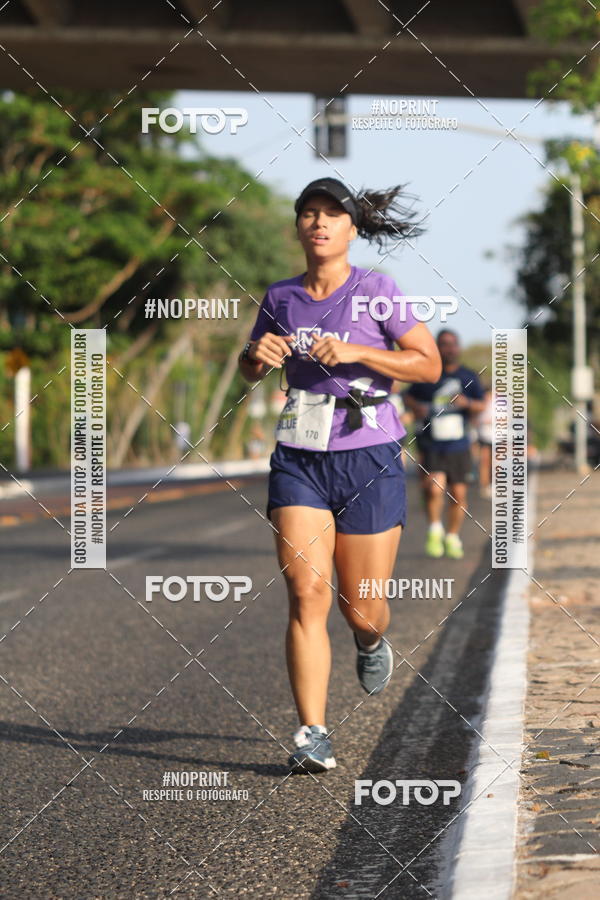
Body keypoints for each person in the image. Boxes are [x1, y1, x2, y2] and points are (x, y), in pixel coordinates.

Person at [238, 177, 441, 773]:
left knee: (361, 607)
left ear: (353, 228)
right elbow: (252, 364)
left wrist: (358, 352)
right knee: (306, 593)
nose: (319, 223)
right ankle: (313, 731)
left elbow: (425, 363)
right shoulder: (280, 296)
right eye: (308, 213)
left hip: (368, 457)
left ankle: (371, 637)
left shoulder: (377, 291)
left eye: (332, 214)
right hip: (300, 457)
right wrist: (257, 358)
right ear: (298, 227)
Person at [404, 330, 485, 560]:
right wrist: (417, 406)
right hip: (433, 443)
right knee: (434, 487)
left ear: (458, 348)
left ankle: (452, 535)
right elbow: (407, 396)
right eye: (444, 344)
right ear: (437, 347)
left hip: (459, 444)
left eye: (452, 344)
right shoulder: (428, 374)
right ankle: (435, 529)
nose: (448, 348)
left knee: (458, 495)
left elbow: (481, 404)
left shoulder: (467, 375)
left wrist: (466, 402)